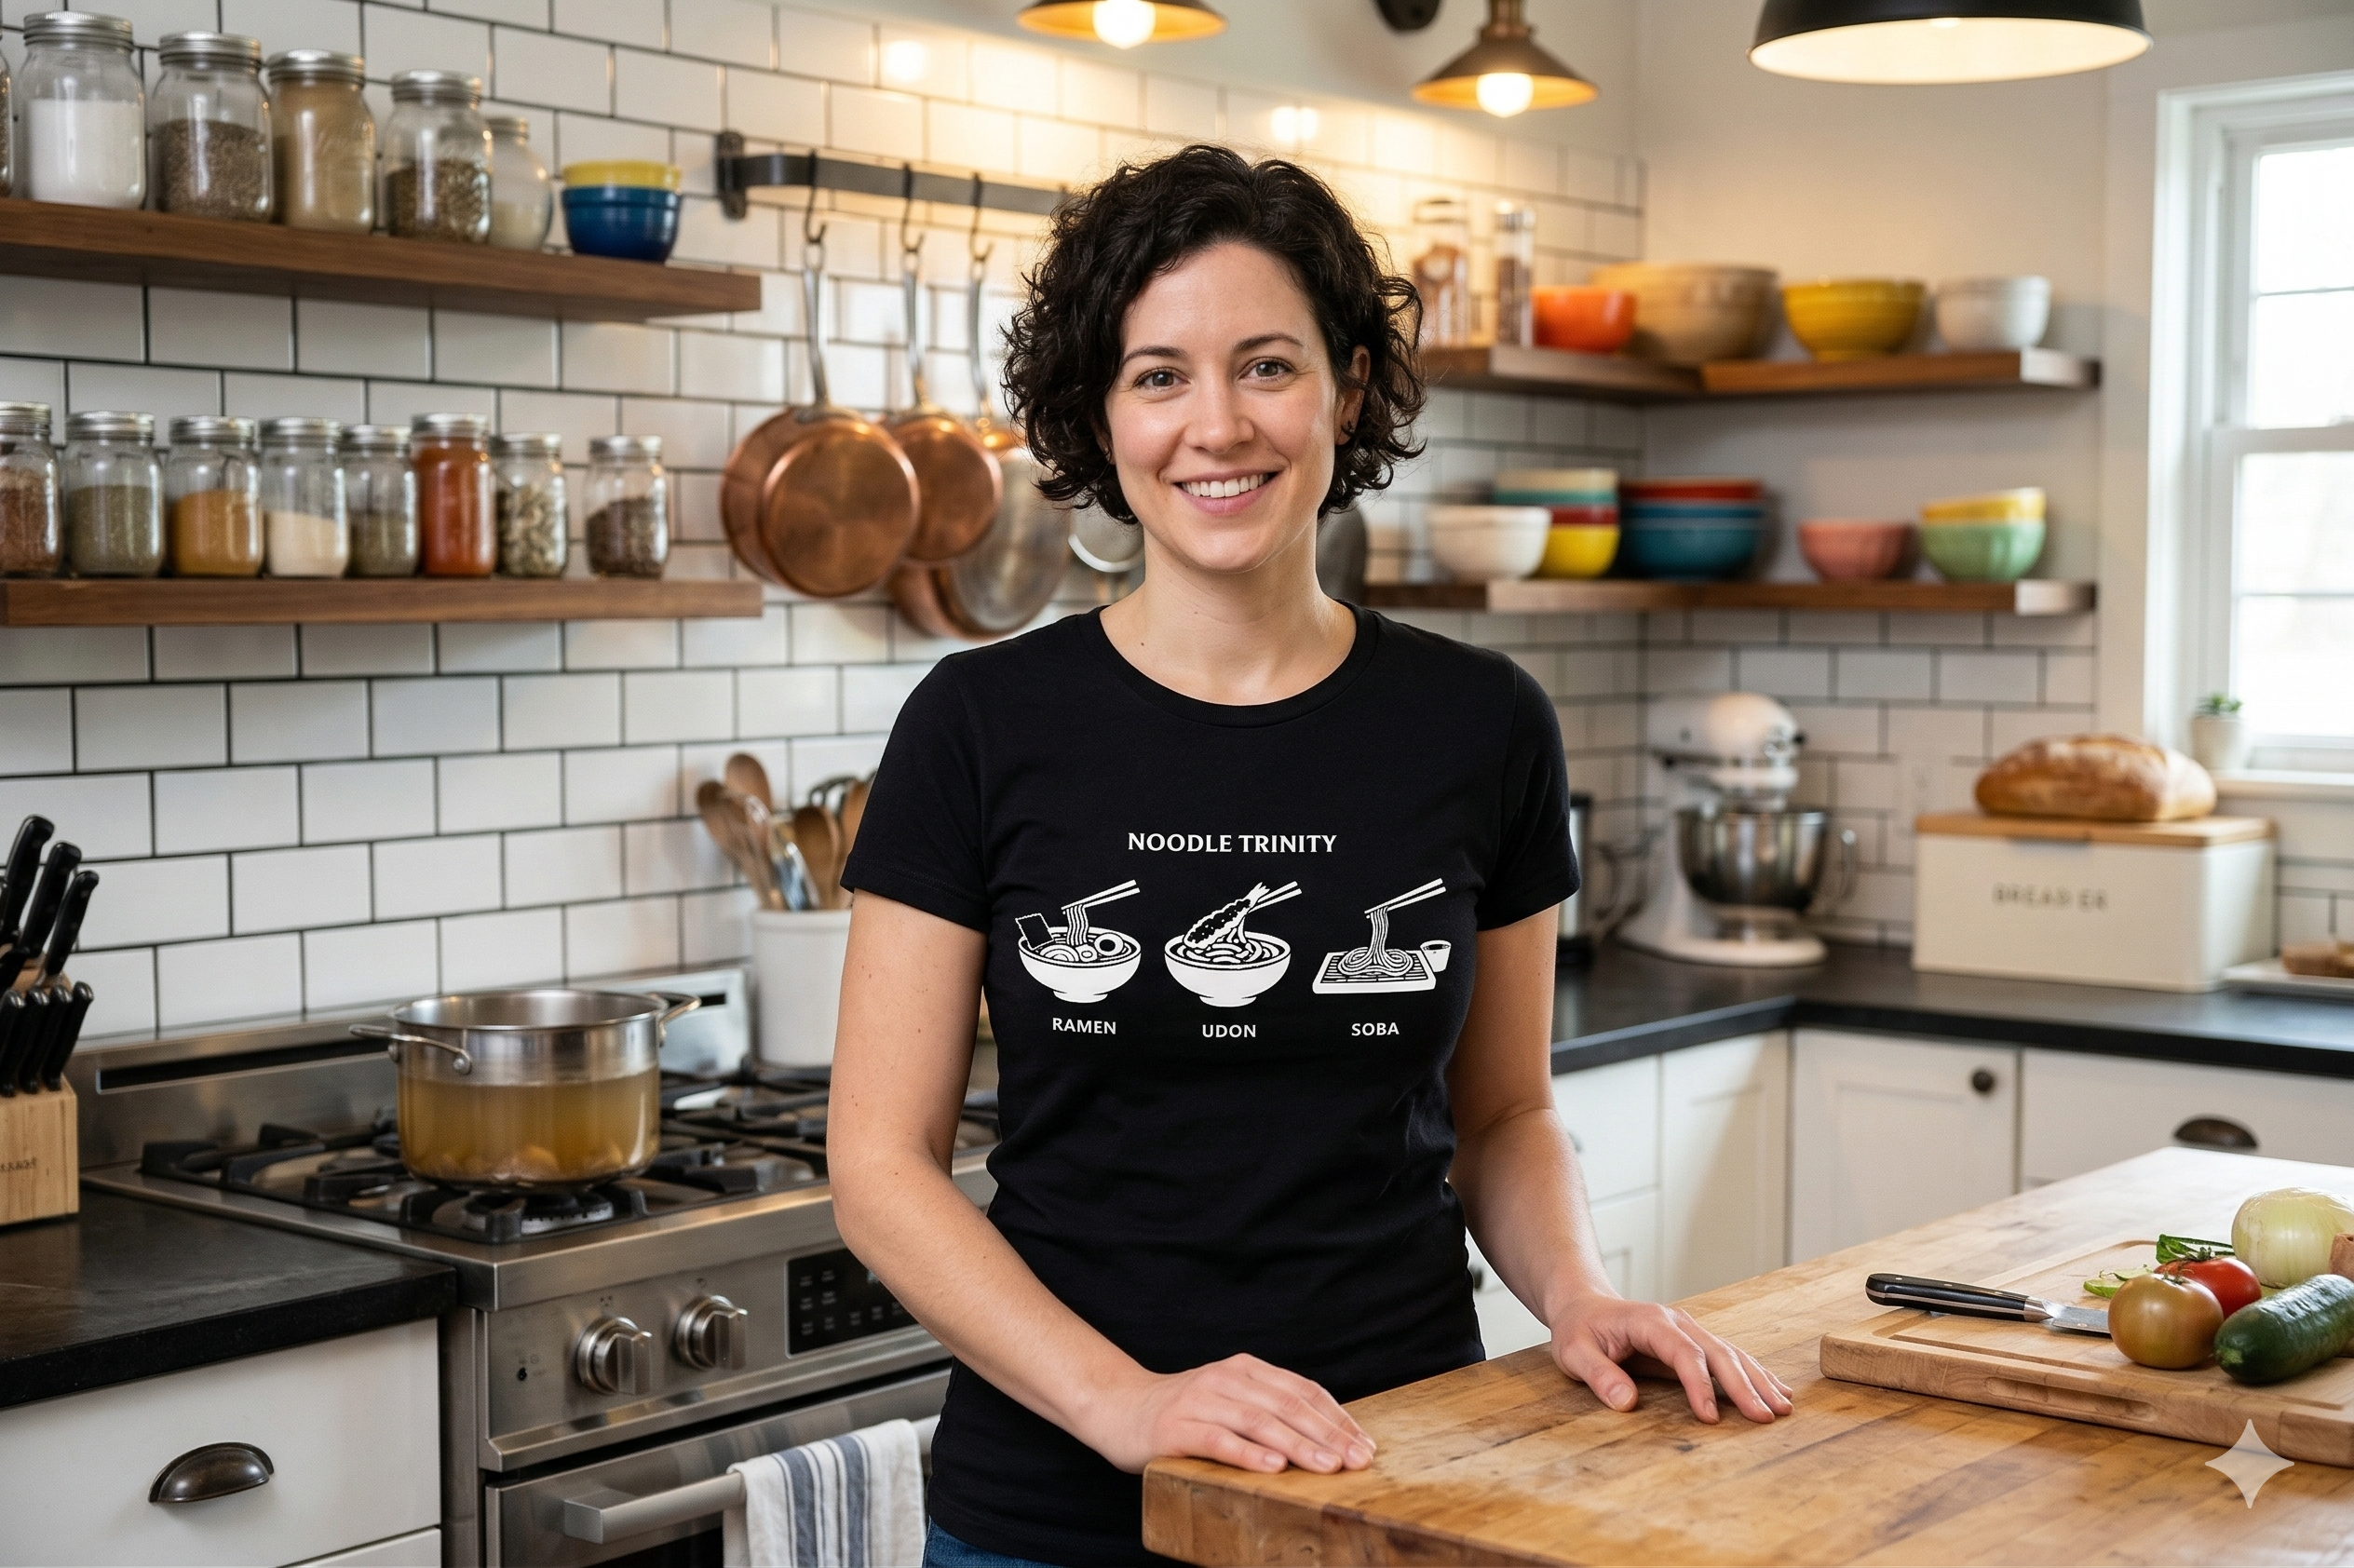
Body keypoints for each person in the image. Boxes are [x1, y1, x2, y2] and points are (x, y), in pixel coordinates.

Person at [831, 143, 1793, 1568]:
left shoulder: (1483, 723)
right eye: (1159, 376)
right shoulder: (979, 724)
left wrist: (1579, 1295)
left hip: (1397, 1470)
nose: (1216, 426)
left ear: (1348, 387)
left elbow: (1505, 1116)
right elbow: (879, 1165)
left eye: (1266, 366)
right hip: (1057, 1508)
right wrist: (1128, 1404)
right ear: (1100, 414)